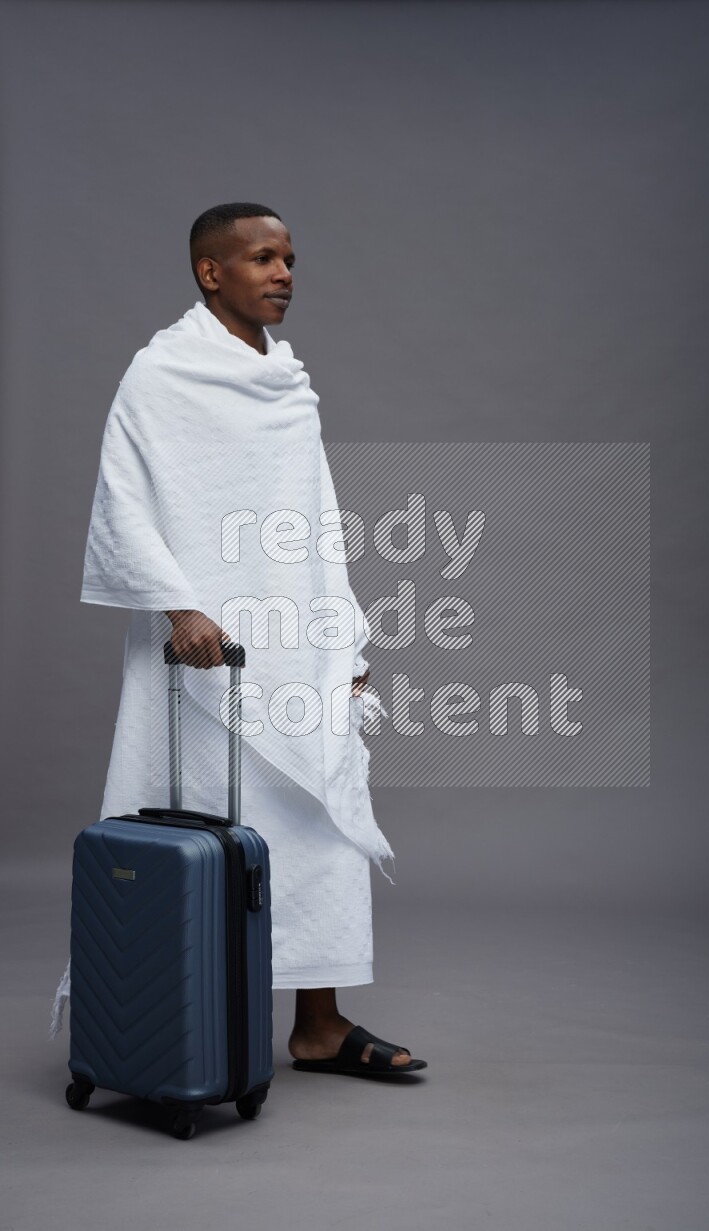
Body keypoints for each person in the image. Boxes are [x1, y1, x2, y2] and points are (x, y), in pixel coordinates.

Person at [50, 202, 426, 1078]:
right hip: (200, 644)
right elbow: (122, 499)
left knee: (319, 813)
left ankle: (319, 1025)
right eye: (263, 258)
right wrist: (178, 607)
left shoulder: (288, 380)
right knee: (197, 821)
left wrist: (344, 632)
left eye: (291, 258)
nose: (285, 273)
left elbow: (315, 517)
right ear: (209, 272)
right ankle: (168, 1011)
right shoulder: (161, 372)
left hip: (291, 631)